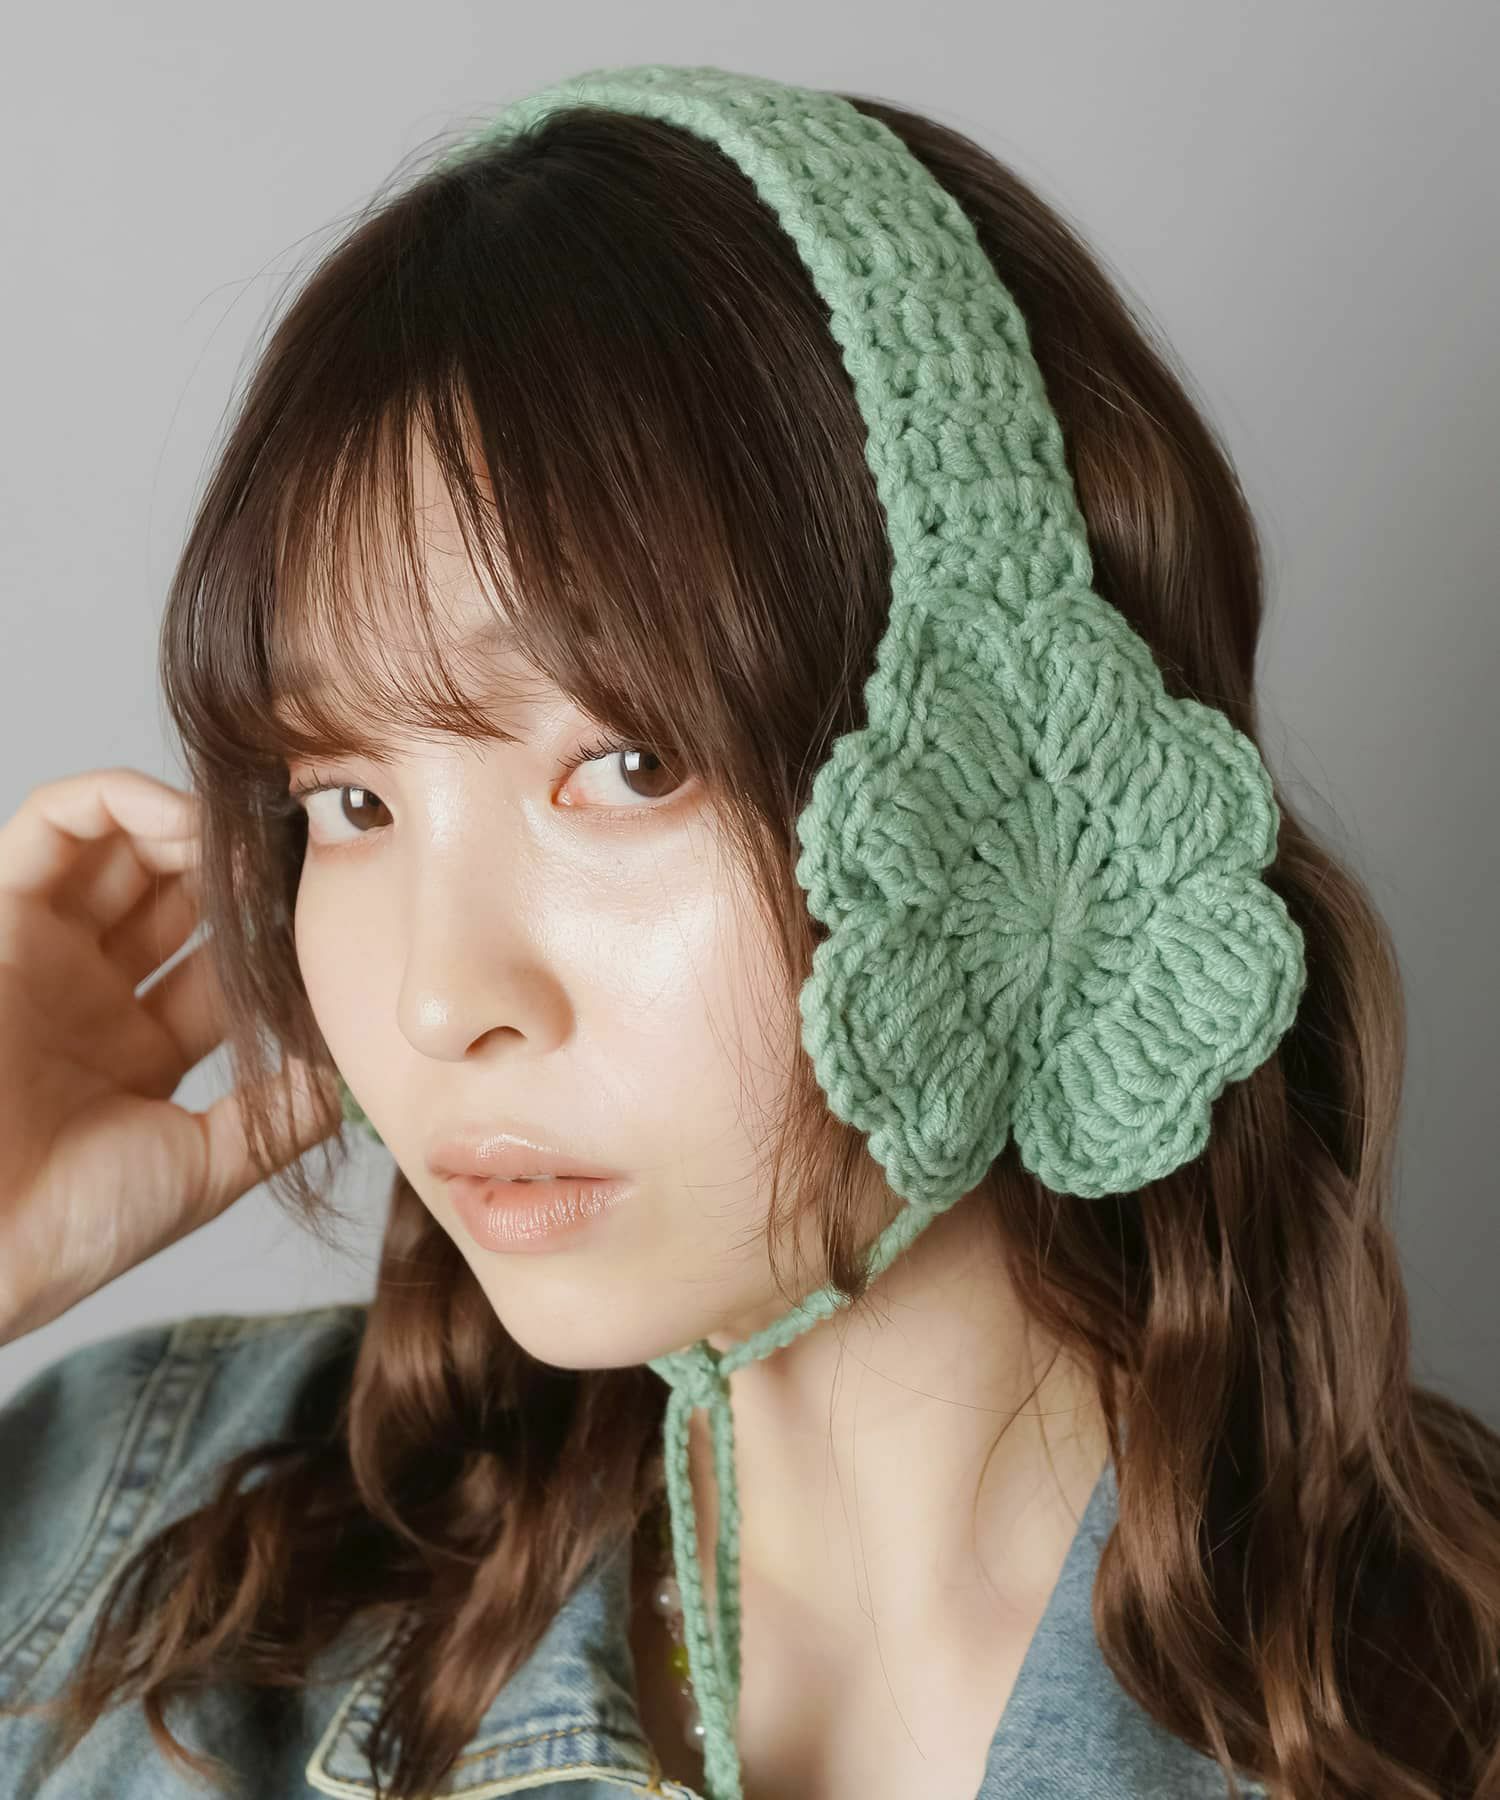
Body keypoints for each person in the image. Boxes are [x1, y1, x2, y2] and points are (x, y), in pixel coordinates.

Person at [1, 63, 1496, 1800]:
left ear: (1016, 783)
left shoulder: (1432, 1708)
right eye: (346, 800)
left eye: (627, 766)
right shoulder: (132, 1543)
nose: (435, 1000)